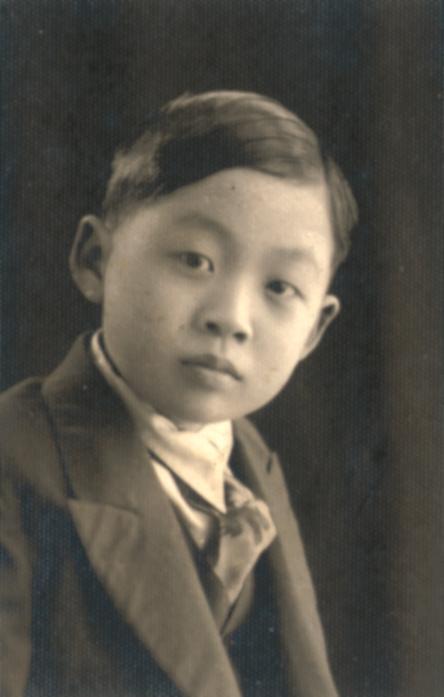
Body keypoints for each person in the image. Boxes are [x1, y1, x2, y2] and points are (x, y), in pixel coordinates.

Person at [0, 90, 358, 697]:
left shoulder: (250, 461)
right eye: (195, 261)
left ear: (313, 332)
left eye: (279, 287)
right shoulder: (16, 459)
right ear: (95, 259)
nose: (231, 318)